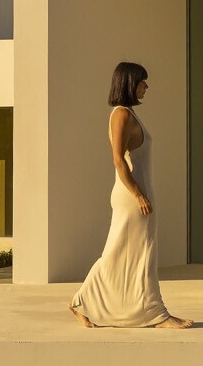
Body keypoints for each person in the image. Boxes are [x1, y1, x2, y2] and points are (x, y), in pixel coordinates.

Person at [67, 61, 194, 329]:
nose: (146, 86)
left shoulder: (130, 114)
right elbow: (118, 160)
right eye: (142, 81)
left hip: (139, 194)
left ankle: (83, 302)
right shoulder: (121, 115)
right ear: (129, 83)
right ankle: (156, 314)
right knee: (131, 252)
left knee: (135, 254)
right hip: (132, 196)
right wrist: (138, 195)